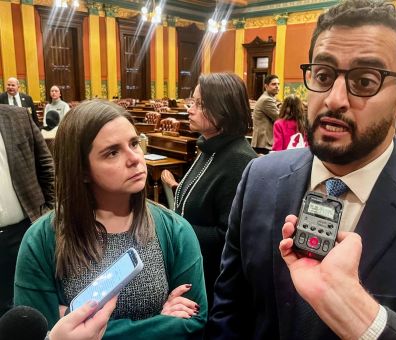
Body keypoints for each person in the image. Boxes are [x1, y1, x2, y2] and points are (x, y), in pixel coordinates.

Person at [207, 1, 396, 339]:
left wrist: (367, 321)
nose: (334, 99)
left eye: (365, 81)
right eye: (323, 75)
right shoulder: (258, 178)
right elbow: (229, 311)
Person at [14, 100, 207, 338]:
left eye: (134, 143)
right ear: (81, 169)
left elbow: (195, 322)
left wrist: (77, 326)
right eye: (112, 152)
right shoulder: (41, 239)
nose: (135, 158)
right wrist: (162, 322)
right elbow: (34, 331)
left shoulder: (174, 229)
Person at [160, 73, 257, 309]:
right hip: (194, 269)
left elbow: (229, 239)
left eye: (200, 104)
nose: (190, 109)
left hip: (215, 287)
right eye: (191, 101)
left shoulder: (239, 161)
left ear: (223, 109)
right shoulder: (208, 147)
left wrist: (174, 227)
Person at [0, 104, 54, 316]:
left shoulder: (17, 117)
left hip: (24, 230)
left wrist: (50, 211)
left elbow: (46, 165)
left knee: (31, 306)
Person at [251, 74, 280, 154]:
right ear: (266, 86)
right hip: (263, 143)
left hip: (263, 142)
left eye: (278, 84)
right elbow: (279, 118)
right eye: (274, 84)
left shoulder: (269, 98)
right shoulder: (266, 100)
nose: (277, 86)